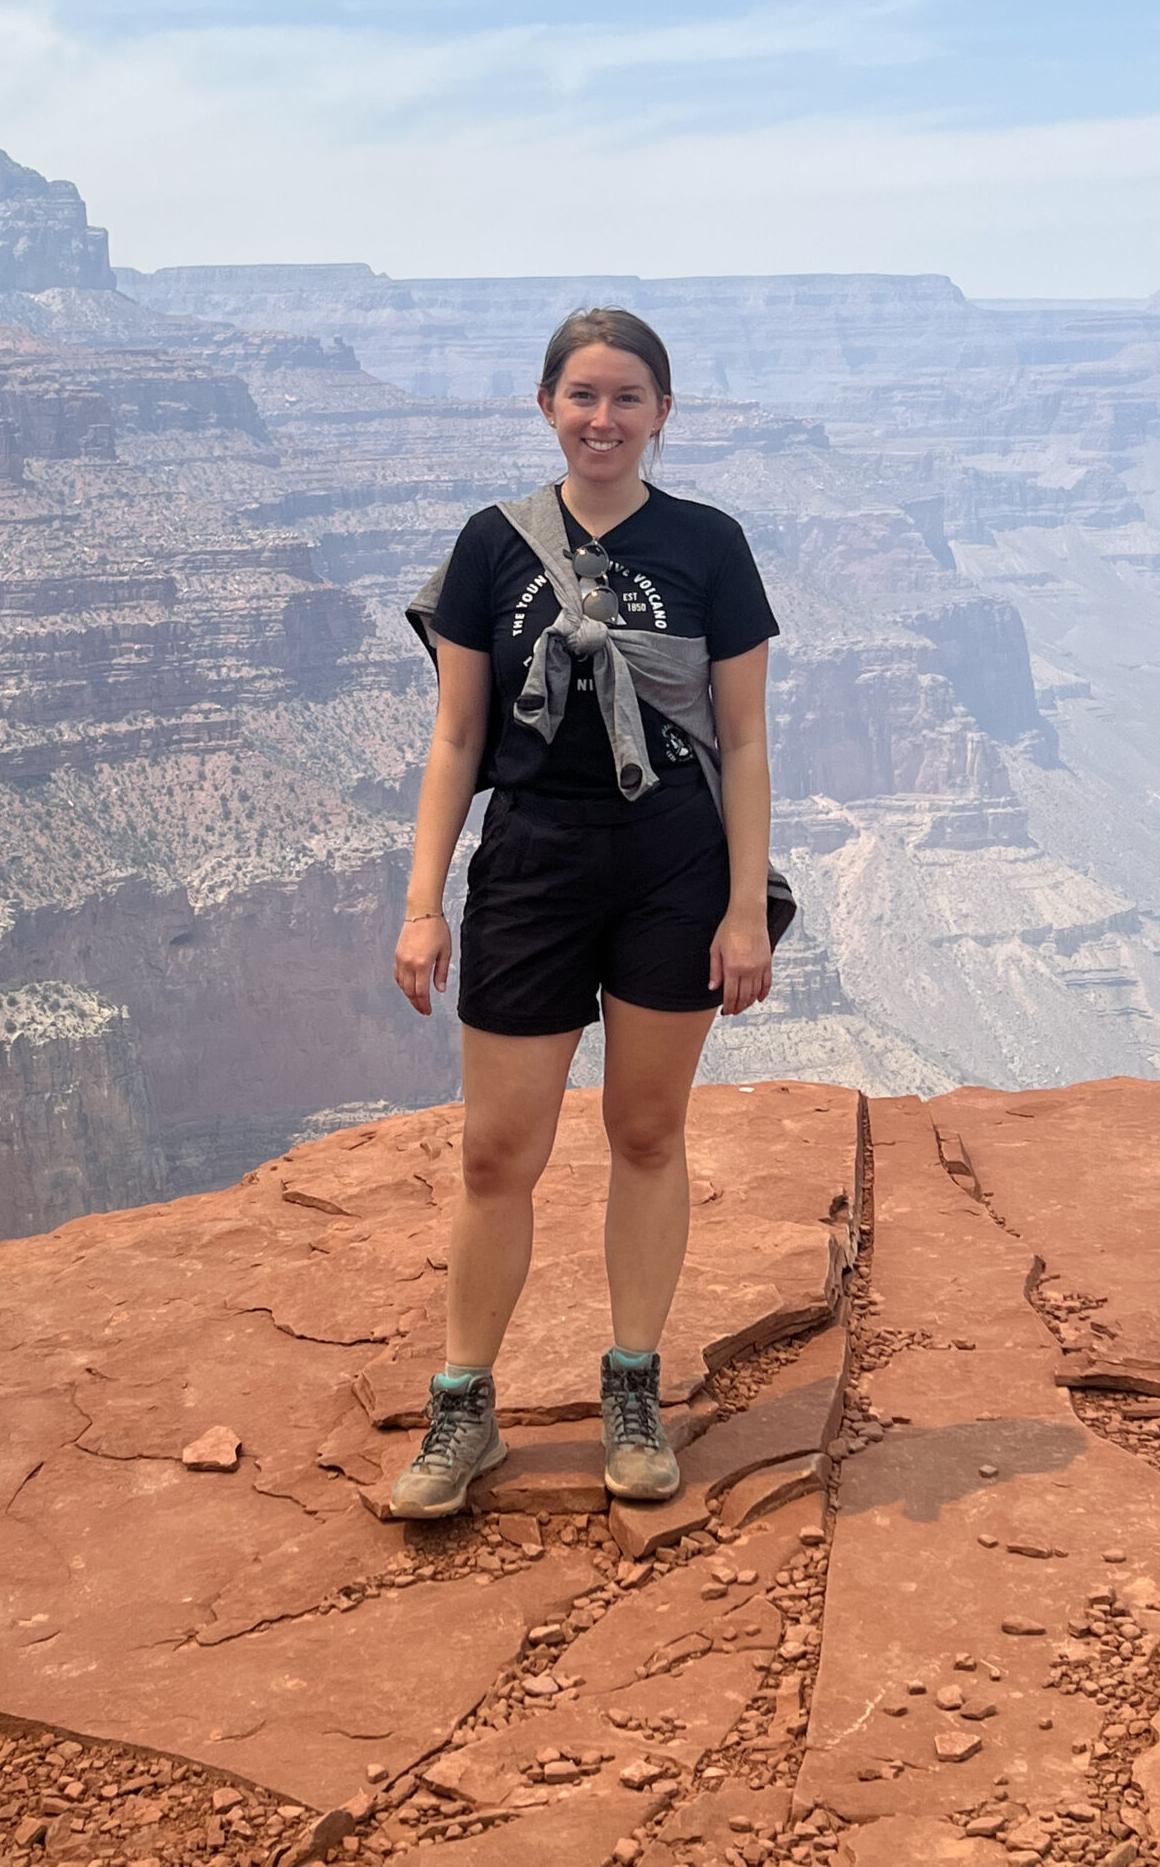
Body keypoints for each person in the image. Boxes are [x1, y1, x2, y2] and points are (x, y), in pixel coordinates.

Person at [390, 307, 791, 1519]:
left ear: (662, 411)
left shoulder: (708, 545)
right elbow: (456, 737)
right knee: (495, 1151)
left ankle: (632, 1388)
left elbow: (744, 736)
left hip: (672, 861)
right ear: (546, 406)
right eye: (581, 396)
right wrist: (423, 905)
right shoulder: (491, 547)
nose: (603, 418)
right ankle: (463, 1408)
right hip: (532, 865)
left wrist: (743, 910)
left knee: (645, 1132)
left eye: (627, 397)